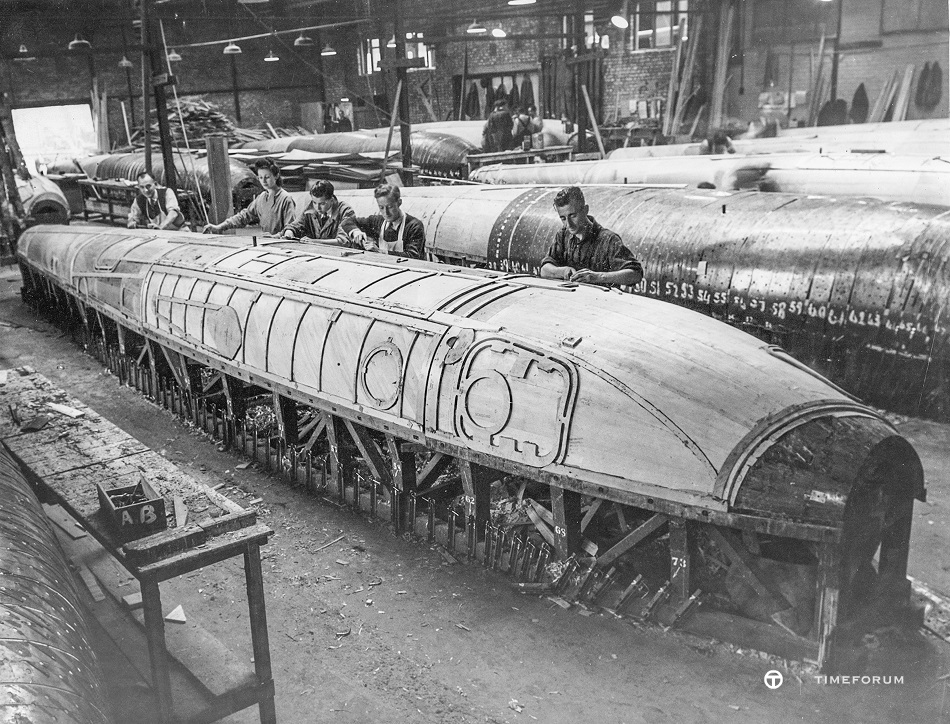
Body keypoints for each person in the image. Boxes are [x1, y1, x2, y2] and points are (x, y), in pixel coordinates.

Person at [539, 186, 643, 288]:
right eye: (563, 218)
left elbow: (636, 274)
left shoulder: (608, 240)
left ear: (585, 210)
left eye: (573, 216)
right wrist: (563, 271)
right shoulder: (563, 235)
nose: (568, 224)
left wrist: (598, 277)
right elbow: (544, 270)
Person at [202, 159, 295, 235]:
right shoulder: (262, 198)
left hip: (282, 246)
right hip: (266, 243)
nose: (264, 181)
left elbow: (291, 228)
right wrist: (219, 227)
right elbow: (244, 216)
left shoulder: (285, 199)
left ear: (276, 176)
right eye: (261, 178)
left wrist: (276, 237)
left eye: (267, 177)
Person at [344, 183, 425, 260]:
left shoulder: (414, 226)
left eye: (390, 207)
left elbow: (413, 256)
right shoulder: (377, 221)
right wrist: (356, 232)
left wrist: (380, 252)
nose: (386, 213)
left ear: (399, 202)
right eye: (381, 207)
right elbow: (347, 221)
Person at [281, 180, 356, 244]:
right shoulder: (310, 208)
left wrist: (315, 242)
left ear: (332, 200)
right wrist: (289, 231)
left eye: (322, 203)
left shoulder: (345, 211)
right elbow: (296, 224)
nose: (317, 208)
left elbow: (343, 241)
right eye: (314, 202)